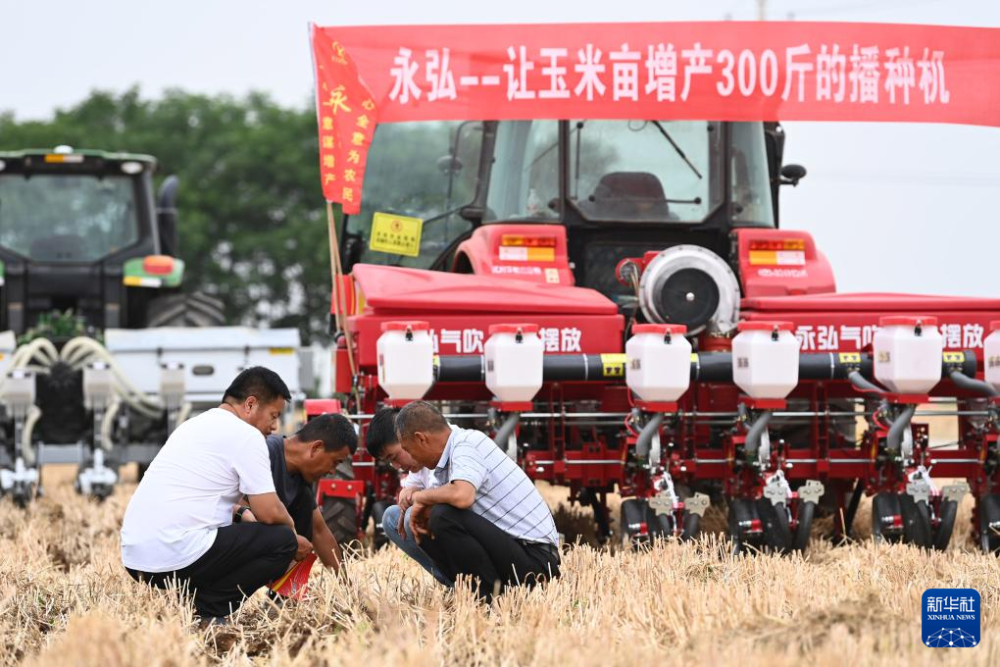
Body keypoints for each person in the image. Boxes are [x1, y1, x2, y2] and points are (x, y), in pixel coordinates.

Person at [121, 366, 302, 622]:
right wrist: (294, 535)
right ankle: (210, 609)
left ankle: (195, 595)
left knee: (245, 531)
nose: (275, 426)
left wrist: (241, 512)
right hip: (176, 555)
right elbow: (269, 511)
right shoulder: (247, 436)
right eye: (273, 415)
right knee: (282, 540)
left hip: (136, 558)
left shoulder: (192, 425)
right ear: (250, 404)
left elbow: (198, 494)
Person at [394, 401, 561, 602]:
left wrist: (420, 497)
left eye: (408, 450)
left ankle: (486, 599)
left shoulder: (466, 443)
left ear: (421, 439)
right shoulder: (445, 463)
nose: (410, 459)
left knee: (442, 516)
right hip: (513, 554)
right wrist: (421, 509)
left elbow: (462, 496)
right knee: (426, 520)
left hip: (536, 561)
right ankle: (471, 594)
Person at [234, 413, 358, 573]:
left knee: (305, 505)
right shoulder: (265, 453)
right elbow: (237, 509)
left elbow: (319, 530)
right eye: (335, 462)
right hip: (222, 547)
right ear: (316, 448)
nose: (332, 471)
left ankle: (285, 594)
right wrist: (287, 541)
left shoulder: (302, 476)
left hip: (257, 545)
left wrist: (345, 588)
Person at [363, 407, 451, 586]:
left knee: (414, 516)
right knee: (391, 517)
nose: (397, 466)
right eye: (390, 461)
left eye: (395, 456)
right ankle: (451, 580)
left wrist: (419, 497)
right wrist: (408, 493)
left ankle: (468, 579)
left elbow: (455, 497)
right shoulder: (420, 459)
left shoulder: (450, 449)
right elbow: (407, 493)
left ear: (407, 438)